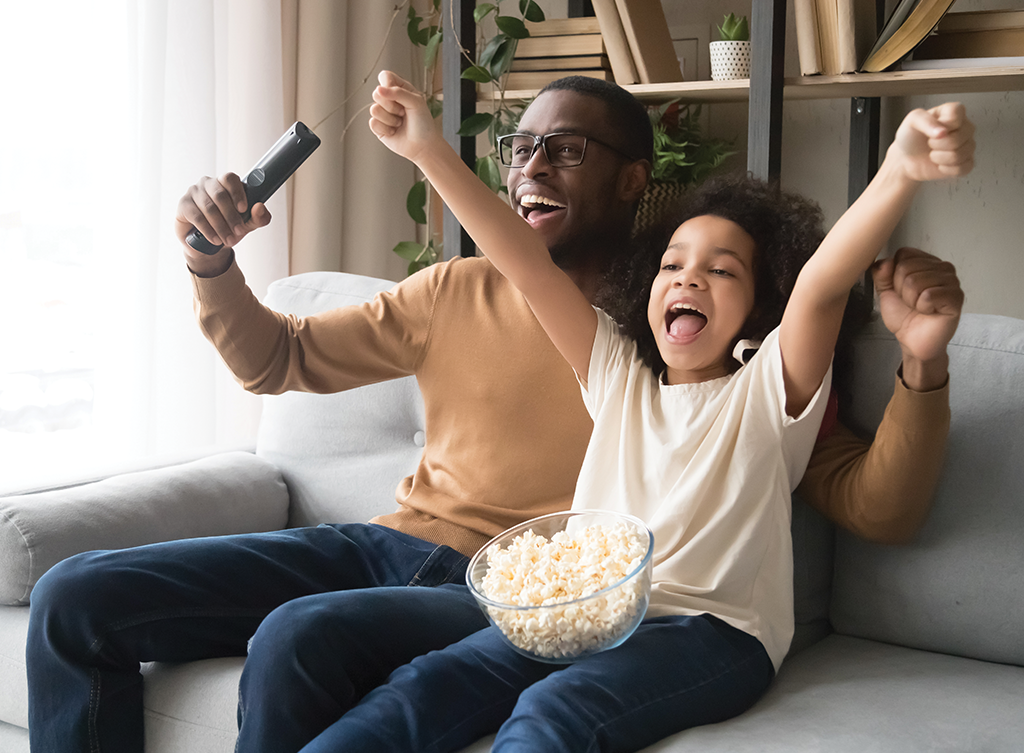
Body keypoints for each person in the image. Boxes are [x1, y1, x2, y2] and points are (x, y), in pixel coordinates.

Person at [24, 69, 967, 753]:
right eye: (522, 148)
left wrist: (901, 193)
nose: (534, 168)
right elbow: (313, 341)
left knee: (418, 676)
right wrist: (411, 154)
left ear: (634, 179)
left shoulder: (756, 390)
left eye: (566, 149)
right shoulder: (585, 352)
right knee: (81, 599)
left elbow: (821, 306)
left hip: (584, 604)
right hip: (451, 568)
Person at [329, 72, 976, 753]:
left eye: (722, 271)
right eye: (672, 265)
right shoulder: (614, 372)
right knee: (417, 689)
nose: (689, 278)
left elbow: (820, 286)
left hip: (710, 632)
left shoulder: (765, 393)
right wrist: (429, 151)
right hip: (582, 613)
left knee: (552, 715)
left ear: (759, 309)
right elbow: (525, 265)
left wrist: (900, 169)